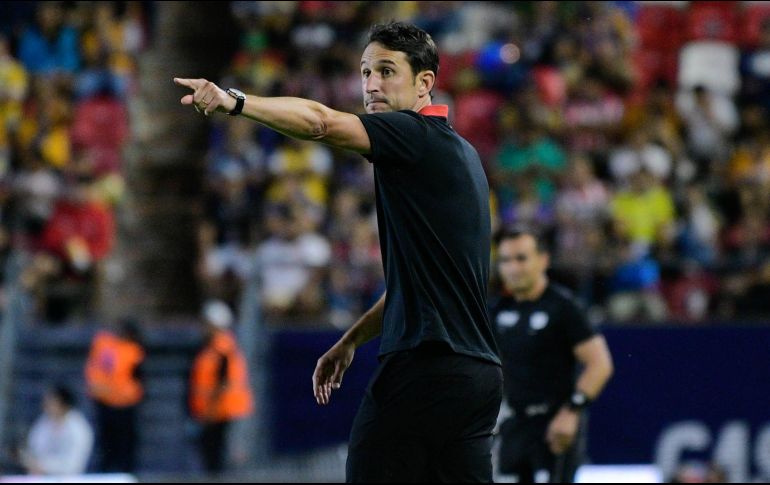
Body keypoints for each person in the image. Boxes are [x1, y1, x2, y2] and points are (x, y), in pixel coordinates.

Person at [175, 21, 502, 482]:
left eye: (386, 71)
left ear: (424, 82)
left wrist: (235, 101)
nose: (371, 85)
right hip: (477, 375)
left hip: (426, 367)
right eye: (366, 72)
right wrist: (350, 341)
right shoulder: (462, 155)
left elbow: (321, 122)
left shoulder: (413, 135)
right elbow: (418, 287)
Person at [490, 228, 614, 483]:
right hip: (512, 426)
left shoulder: (563, 307)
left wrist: (572, 411)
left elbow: (599, 363)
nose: (513, 268)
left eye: (521, 258)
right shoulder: (498, 309)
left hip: (553, 428)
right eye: (505, 260)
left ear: (543, 260)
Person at [188, 300, 253, 474]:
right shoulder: (214, 348)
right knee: (212, 458)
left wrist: (210, 410)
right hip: (216, 412)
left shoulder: (223, 349)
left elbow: (223, 383)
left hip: (223, 412)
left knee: (219, 460)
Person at [84, 318, 144, 473]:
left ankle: (123, 473)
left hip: (124, 404)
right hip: (106, 402)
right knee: (108, 446)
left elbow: (137, 377)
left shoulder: (132, 350)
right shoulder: (105, 344)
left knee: (124, 447)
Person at [21, 385, 94, 476]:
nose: (45, 405)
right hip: (40, 477)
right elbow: (34, 448)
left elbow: (73, 465)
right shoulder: (43, 422)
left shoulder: (78, 429)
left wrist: (43, 466)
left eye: (51, 402)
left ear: (63, 404)